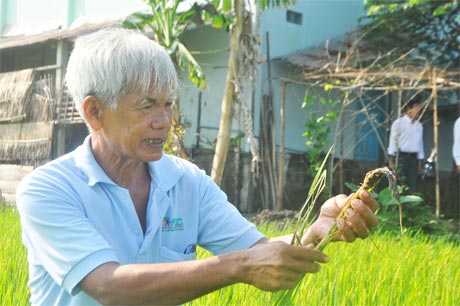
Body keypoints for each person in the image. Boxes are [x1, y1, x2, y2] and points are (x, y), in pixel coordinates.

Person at [16, 27, 379, 306]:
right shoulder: (48, 189)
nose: (164, 121)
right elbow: (109, 287)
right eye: (146, 106)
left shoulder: (186, 181)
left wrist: (318, 230)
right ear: (94, 112)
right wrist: (239, 267)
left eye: (168, 104)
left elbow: (259, 248)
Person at [387, 98, 424, 193]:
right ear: (408, 109)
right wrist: (391, 160)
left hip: (413, 158)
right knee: (399, 183)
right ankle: (397, 206)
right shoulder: (398, 123)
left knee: (412, 183)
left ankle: (409, 207)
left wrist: (420, 162)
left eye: (419, 108)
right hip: (401, 157)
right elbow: (392, 141)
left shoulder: (419, 125)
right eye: (416, 107)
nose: (418, 110)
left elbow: (420, 145)